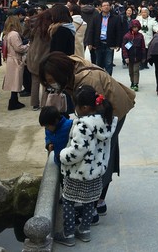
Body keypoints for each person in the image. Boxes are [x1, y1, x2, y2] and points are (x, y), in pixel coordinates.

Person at [39, 51, 135, 219]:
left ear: (60, 73)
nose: (50, 84)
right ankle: (93, 200)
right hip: (99, 111)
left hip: (112, 111)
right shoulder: (70, 71)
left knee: (102, 153)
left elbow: (93, 118)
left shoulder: (88, 81)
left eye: (51, 80)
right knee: (99, 150)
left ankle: (97, 202)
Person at [53, 85, 118, 246]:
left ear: (84, 107)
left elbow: (77, 151)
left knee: (68, 200)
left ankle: (68, 234)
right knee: (89, 201)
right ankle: (85, 231)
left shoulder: (83, 125)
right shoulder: (106, 121)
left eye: (76, 105)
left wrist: (62, 155)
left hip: (78, 172)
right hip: (95, 172)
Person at [26, 9, 53, 110]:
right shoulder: (50, 29)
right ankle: (44, 103)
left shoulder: (35, 28)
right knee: (46, 82)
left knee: (35, 81)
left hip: (33, 57)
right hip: (45, 58)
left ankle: (34, 103)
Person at [87, 0, 122, 75]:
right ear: (101, 7)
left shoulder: (116, 18)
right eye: (104, 5)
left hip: (109, 44)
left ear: (110, 7)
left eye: (107, 5)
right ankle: (99, 80)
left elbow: (119, 32)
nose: (106, 7)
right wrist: (90, 43)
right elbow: (91, 30)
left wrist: (118, 44)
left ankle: (109, 81)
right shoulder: (96, 18)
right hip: (98, 43)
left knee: (109, 64)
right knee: (98, 64)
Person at [2, 15, 29, 110]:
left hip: (11, 59)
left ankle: (14, 100)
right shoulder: (14, 34)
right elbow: (19, 48)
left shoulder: (7, 34)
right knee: (16, 81)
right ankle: (13, 102)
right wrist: (28, 45)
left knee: (14, 81)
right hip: (15, 60)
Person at [121, 19, 145, 92]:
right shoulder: (127, 36)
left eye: (137, 27)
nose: (135, 28)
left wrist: (144, 57)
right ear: (131, 27)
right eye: (134, 27)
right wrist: (126, 57)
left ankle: (135, 83)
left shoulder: (140, 36)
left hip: (138, 56)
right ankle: (132, 82)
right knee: (131, 71)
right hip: (129, 56)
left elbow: (143, 47)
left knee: (136, 70)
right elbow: (124, 47)